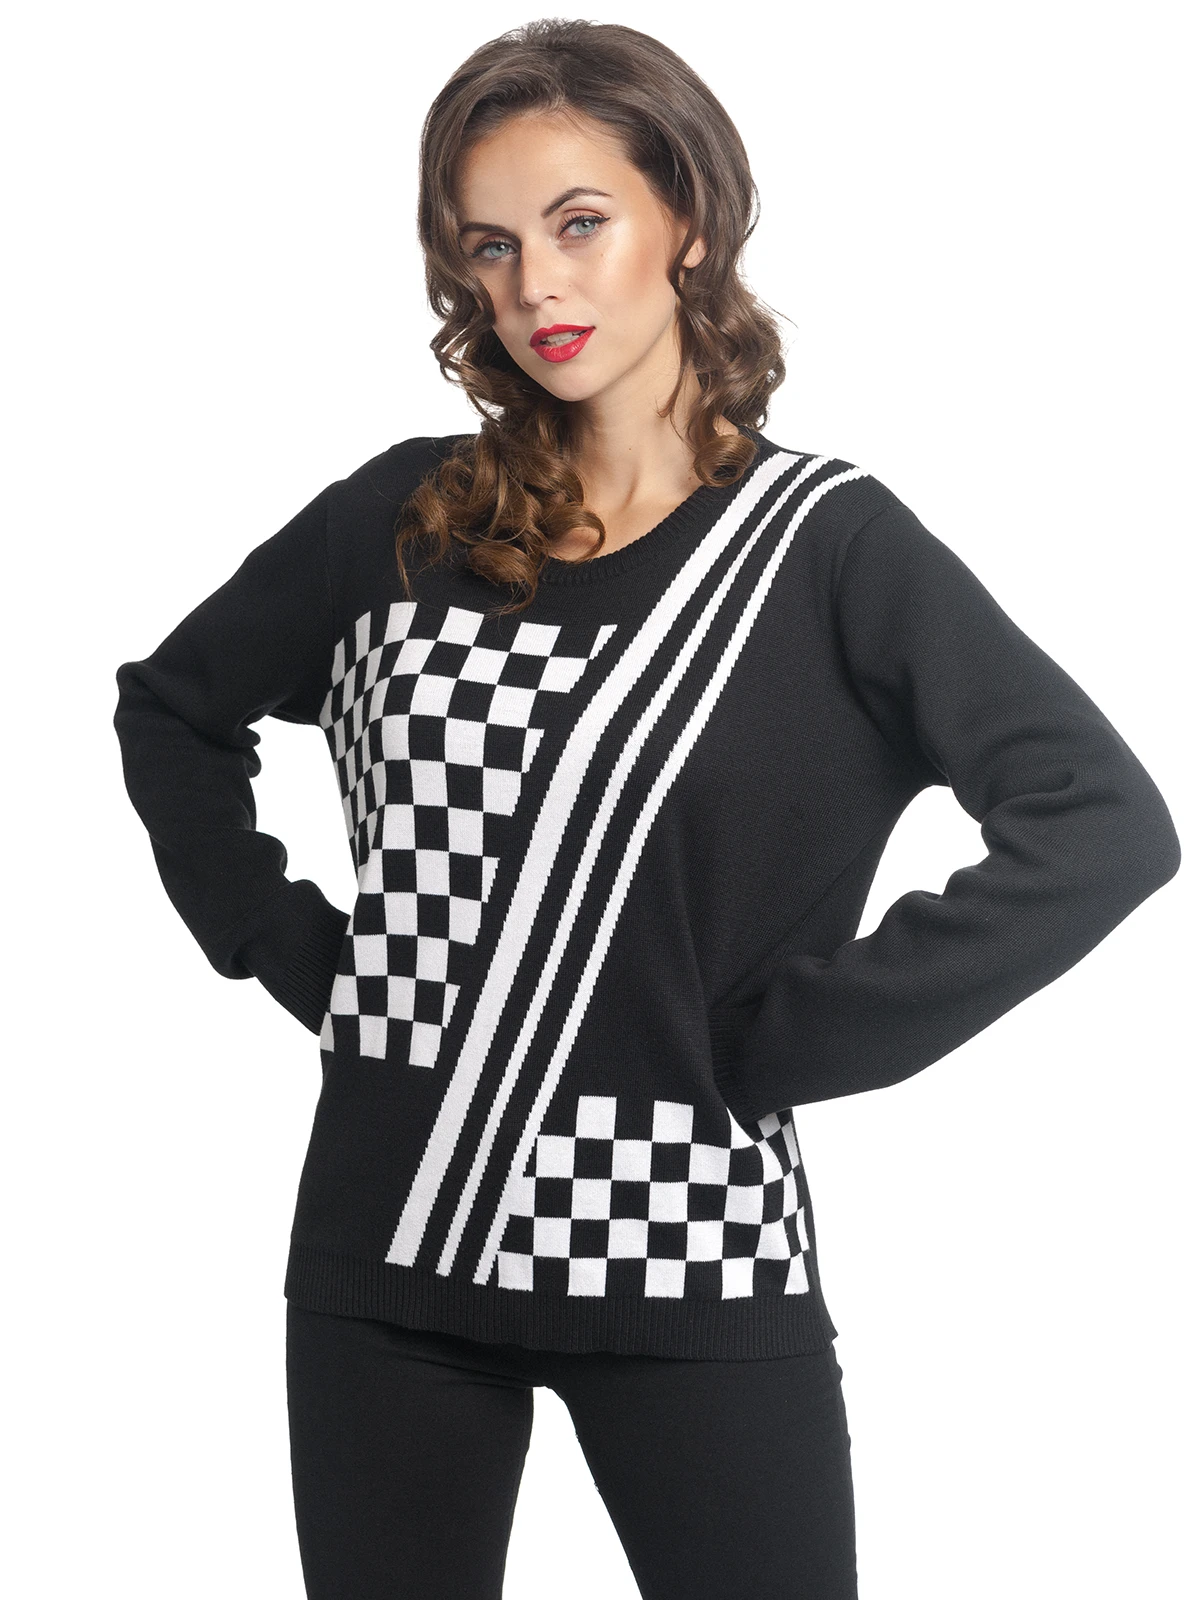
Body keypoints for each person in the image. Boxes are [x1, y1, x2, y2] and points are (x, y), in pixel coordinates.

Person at [110, 18, 1181, 1600]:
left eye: (579, 222)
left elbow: (1102, 823)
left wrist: (798, 1038)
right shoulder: (404, 518)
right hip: (392, 1248)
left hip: (688, 1253)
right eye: (491, 243)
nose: (535, 284)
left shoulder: (825, 548)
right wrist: (295, 954)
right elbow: (173, 710)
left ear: (687, 217)